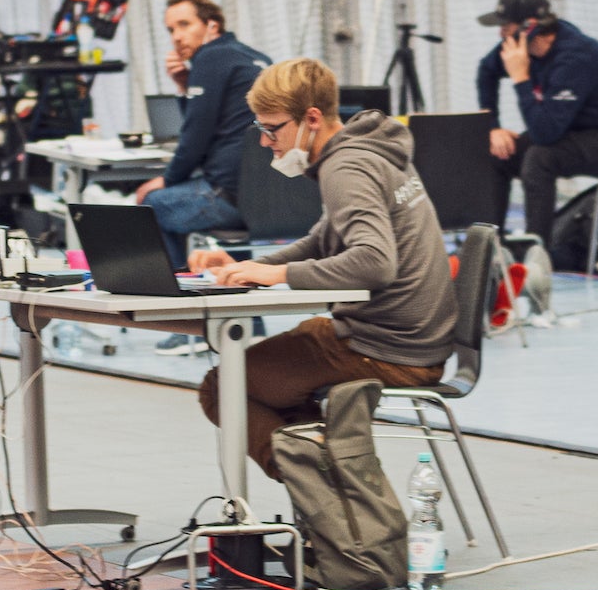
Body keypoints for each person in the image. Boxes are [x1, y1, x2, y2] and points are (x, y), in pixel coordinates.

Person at [185, 58, 455, 471]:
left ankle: (328, 493)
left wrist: (278, 275)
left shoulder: (345, 167)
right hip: (409, 337)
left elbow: (374, 262)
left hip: (387, 349)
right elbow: (323, 240)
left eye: (271, 128)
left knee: (222, 388)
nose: (264, 142)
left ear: (311, 118)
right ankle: (333, 491)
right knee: (281, 376)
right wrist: (249, 266)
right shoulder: (369, 148)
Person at [131, 0, 271, 354]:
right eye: (170, 29)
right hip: (267, 202)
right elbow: (213, 118)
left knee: (151, 205)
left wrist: (166, 179)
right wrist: (184, 86)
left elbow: (195, 135)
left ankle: (188, 324)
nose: (177, 36)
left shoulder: (212, 57)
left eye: (184, 25)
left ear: (212, 26)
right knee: (207, 222)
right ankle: (249, 323)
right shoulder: (253, 57)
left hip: (227, 197)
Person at [475, 0, 598, 247]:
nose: (500, 33)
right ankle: (489, 246)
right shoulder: (521, 48)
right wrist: (493, 127)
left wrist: (521, 78)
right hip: (577, 131)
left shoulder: (575, 57)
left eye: (507, 26)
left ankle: (536, 253)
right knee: (499, 152)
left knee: (540, 158)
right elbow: (486, 71)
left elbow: (544, 133)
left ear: (530, 26)